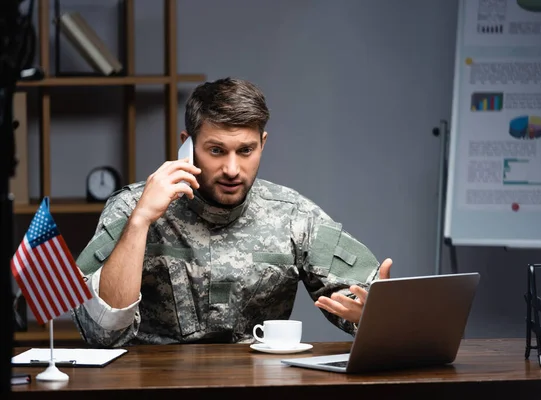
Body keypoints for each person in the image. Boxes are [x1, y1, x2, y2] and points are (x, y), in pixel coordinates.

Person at [71, 77, 393, 347]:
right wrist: (140, 221)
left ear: (262, 144)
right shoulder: (132, 207)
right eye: (216, 150)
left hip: (257, 387)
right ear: (188, 145)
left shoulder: (294, 216)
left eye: (245, 150)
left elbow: (369, 305)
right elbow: (101, 333)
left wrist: (373, 316)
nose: (231, 169)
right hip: (153, 387)